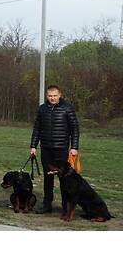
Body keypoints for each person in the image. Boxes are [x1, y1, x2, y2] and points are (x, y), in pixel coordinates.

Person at [30, 84, 80, 214]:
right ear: (47, 96)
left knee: (64, 179)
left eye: (55, 96)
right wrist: (33, 146)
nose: (52, 98)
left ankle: (66, 206)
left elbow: (75, 129)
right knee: (48, 178)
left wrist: (74, 147)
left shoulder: (67, 108)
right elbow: (37, 129)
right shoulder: (42, 109)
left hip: (62, 149)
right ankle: (47, 205)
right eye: (50, 96)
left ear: (60, 95)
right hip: (46, 149)